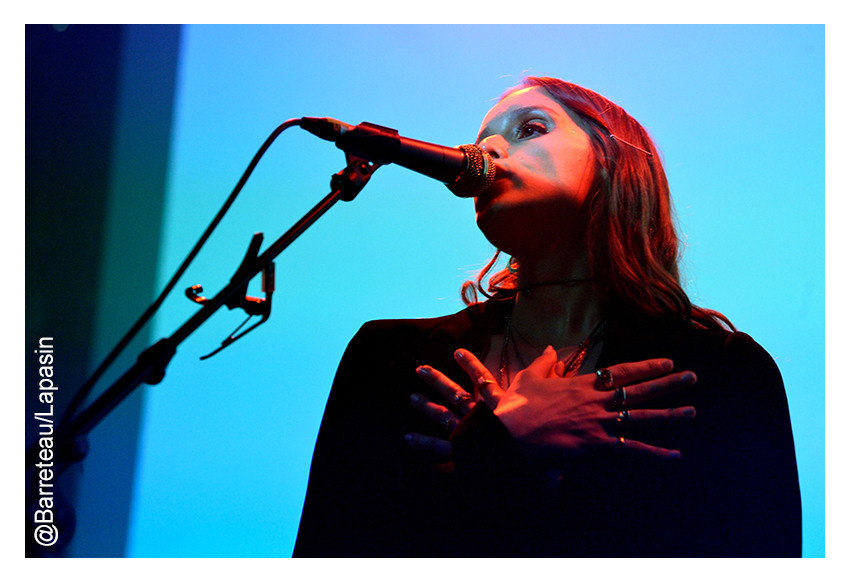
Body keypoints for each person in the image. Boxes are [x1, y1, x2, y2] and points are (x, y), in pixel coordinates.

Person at [292, 77, 802, 557]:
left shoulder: (722, 374)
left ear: (613, 163)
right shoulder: (388, 359)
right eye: (482, 140)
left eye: (530, 129)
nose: (485, 152)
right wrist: (498, 444)